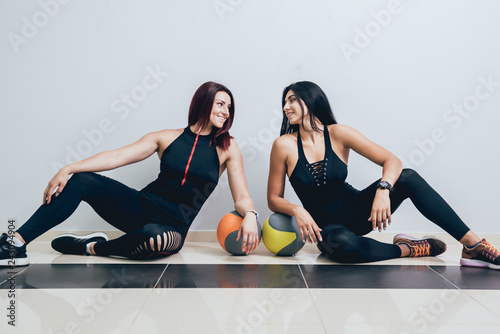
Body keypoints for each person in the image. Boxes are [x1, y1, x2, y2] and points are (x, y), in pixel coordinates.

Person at [0, 81, 259, 266]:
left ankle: (91, 247)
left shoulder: (227, 147)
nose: (226, 112)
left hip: (172, 227)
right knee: (81, 180)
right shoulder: (165, 138)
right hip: (141, 207)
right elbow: (116, 157)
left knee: (154, 240)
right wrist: (67, 168)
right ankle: (16, 243)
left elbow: (242, 196)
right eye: (221, 104)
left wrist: (250, 214)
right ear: (203, 103)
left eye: (229, 107)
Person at [267, 81, 499, 269]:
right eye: (284, 102)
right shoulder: (283, 145)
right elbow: (273, 198)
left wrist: (384, 188)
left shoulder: (339, 134)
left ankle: (473, 246)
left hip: (358, 210)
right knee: (341, 246)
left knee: (407, 176)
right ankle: (408, 248)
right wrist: (298, 210)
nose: (286, 107)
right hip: (328, 228)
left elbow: (392, 161)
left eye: (292, 100)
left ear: (311, 99)